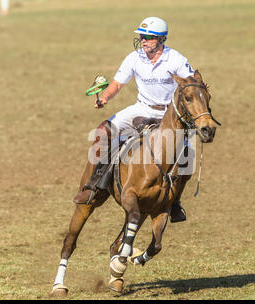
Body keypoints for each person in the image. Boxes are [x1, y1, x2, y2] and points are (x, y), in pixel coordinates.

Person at [74, 17, 195, 223]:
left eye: (148, 37)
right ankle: (94, 185)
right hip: (141, 108)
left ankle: (174, 203)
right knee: (103, 131)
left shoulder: (175, 58)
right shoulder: (134, 58)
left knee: (186, 156)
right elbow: (117, 84)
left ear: (161, 39)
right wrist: (105, 97)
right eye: (142, 36)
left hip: (168, 115)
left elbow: (191, 82)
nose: (143, 40)